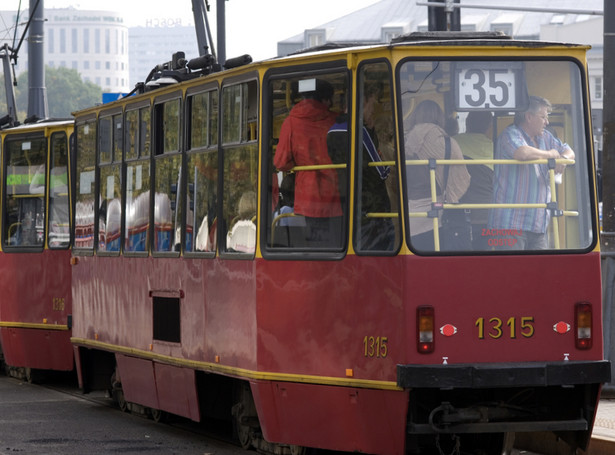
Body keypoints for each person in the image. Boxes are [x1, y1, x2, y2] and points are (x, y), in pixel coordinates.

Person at [489, 96, 575, 250]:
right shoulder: (510, 134)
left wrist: (562, 158)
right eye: (543, 117)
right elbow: (522, 153)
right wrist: (551, 155)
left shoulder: (546, 137)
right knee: (512, 272)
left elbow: (569, 151)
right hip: (509, 225)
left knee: (540, 273)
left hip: (538, 224)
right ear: (528, 117)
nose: (547, 122)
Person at [274, 79, 342, 245]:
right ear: (325, 100)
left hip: (309, 199)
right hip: (339, 195)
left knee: (316, 250)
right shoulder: (337, 120)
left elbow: (281, 162)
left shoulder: (290, 122)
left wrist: (299, 165)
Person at [327, 83, 394, 251]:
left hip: (347, 200)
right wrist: (371, 133)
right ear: (362, 103)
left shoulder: (331, 132)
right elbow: (382, 171)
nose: (373, 110)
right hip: (373, 205)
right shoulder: (361, 132)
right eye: (372, 104)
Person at [404, 99, 470, 251]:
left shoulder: (403, 141)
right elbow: (461, 179)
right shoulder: (449, 143)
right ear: (440, 118)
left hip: (409, 216)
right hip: (439, 216)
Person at [455, 111, 494, 250]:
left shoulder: (453, 142)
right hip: (487, 214)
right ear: (489, 126)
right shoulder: (495, 147)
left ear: (467, 123)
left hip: (457, 213)